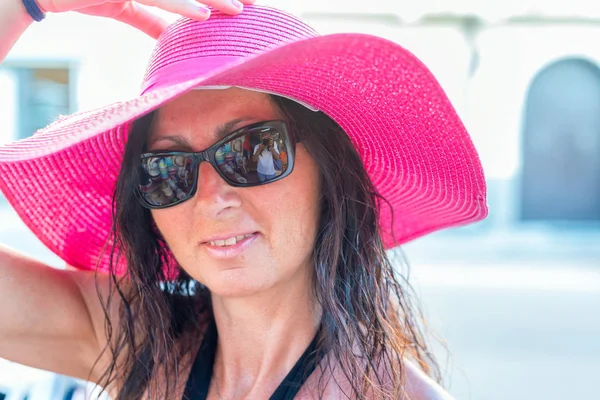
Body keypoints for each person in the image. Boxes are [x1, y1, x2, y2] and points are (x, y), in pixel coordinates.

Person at [0, 1, 488, 399]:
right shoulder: (135, 339)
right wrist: (21, 6)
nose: (212, 198)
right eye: (170, 169)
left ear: (331, 171)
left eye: (253, 150)